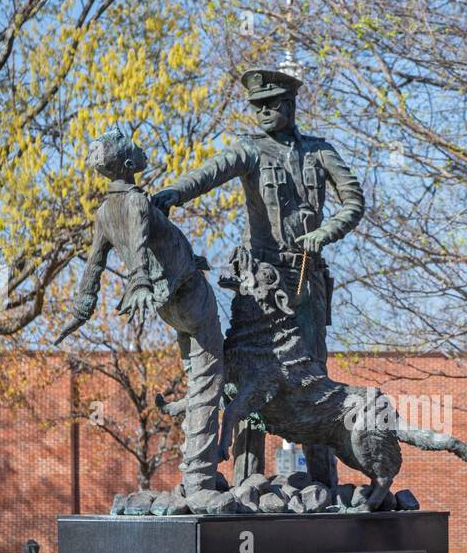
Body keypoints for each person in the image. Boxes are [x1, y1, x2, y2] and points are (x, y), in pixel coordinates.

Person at [151, 67, 365, 488]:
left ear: (289, 105)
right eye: (257, 107)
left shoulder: (320, 152)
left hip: (305, 279)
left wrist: (324, 233)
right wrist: (174, 193)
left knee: (311, 376)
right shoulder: (249, 150)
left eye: (271, 104)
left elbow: (353, 201)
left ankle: (322, 485)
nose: (264, 112)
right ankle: (248, 483)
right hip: (259, 281)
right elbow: (211, 172)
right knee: (249, 374)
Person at [54, 130, 224, 507]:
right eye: (130, 146)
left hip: (169, 301)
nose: (139, 147)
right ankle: (199, 476)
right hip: (187, 294)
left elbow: (94, 265)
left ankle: (201, 442)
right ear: (129, 165)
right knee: (212, 379)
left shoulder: (103, 210)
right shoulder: (135, 204)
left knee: (202, 374)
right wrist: (140, 281)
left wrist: (81, 309)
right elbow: (141, 241)